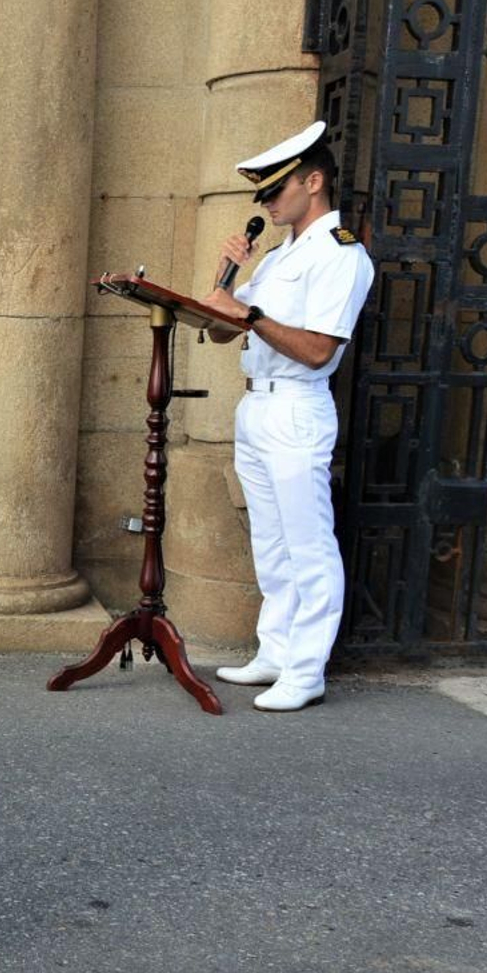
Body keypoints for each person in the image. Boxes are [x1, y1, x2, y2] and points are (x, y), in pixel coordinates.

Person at [200, 120, 375, 713]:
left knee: (307, 544)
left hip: (298, 406)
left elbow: (321, 350)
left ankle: (307, 670)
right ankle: (275, 650)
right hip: (258, 405)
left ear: (315, 181)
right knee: (271, 542)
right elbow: (222, 332)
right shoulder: (279, 257)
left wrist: (249, 316)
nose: (268, 204)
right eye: (264, 196)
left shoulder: (340, 254)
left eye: (276, 192)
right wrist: (227, 280)